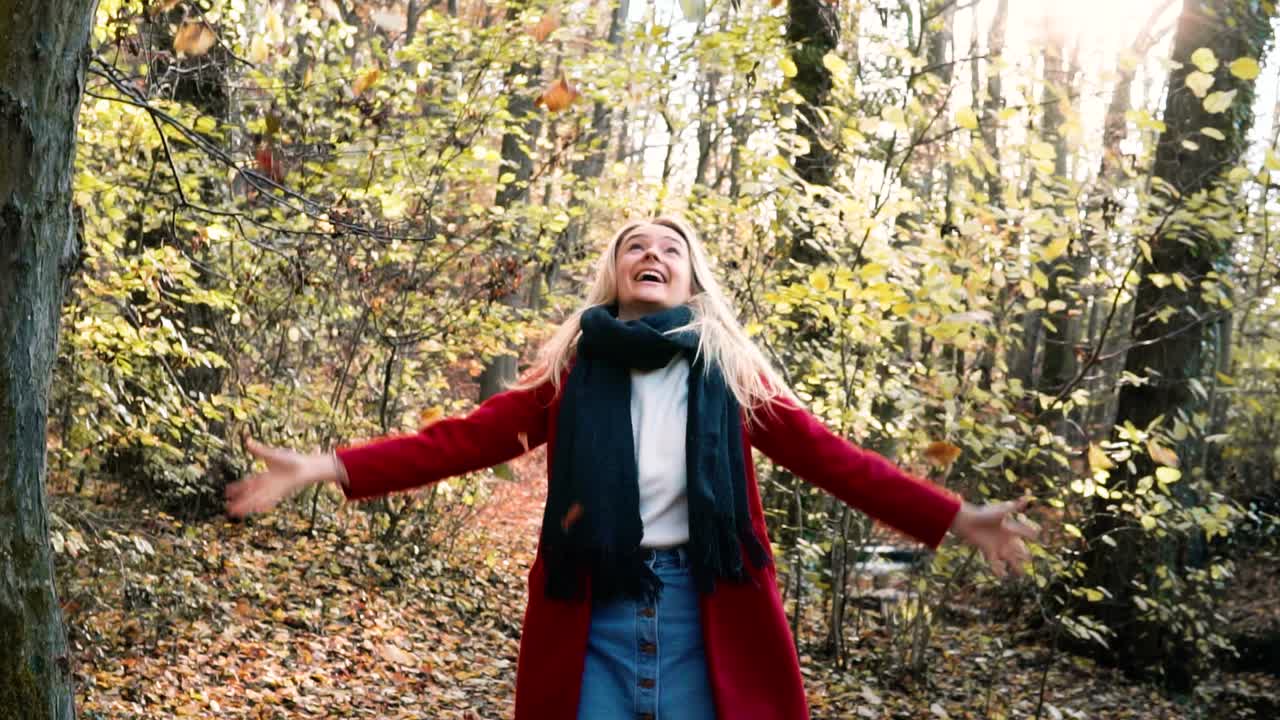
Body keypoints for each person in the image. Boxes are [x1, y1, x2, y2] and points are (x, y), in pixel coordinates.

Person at [225, 216, 1037, 720]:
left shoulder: (731, 374)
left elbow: (836, 461)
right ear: (615, 275)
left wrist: (954, 517)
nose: (652, 253)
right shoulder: (570, 373)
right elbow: (462, 440)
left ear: (690, 277)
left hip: (708, 607)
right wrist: (327, 465)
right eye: (634, 247)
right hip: (592, 610)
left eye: (669, 248)